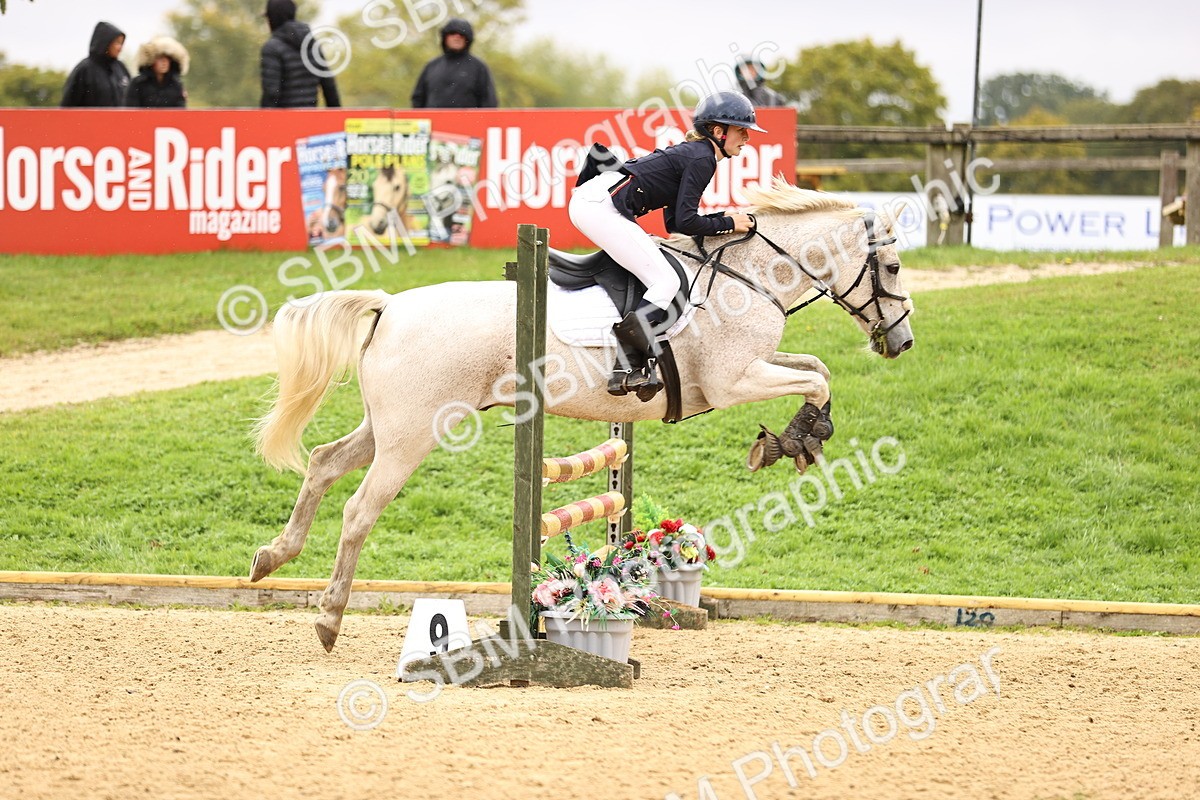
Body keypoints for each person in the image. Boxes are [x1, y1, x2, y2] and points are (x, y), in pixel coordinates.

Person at [569, 91, 764, 399]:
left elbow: (674, 223)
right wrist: (729, 224)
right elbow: (686, 223)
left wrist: (721, 218)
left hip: (593, 202)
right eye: (742, 131)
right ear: (718, 131)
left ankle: (627, 365)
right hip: (599, 205)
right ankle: (626, 365)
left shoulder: (698, 153)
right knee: (667, 280)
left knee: (658, 275)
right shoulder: (702, 159)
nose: (747, 138)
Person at [260, 0, 341, 108]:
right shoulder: (313, 45)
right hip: (309, 120)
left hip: (282, 121)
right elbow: (329, 88)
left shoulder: (272, 48)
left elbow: (272, 93)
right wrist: (336, 119)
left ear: (273, 18)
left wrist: (263, 120)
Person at [410, 18, 497, 109]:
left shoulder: (479, 68)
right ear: (445, 37)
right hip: (435, 122)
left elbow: (489, 102)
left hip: (467, 122)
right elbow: (418, 100)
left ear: (467, 39)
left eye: (462, 34)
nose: (457, 37)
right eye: (452, 33)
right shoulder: (431, 66)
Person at [61, 21, 131, 107]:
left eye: (121, 43)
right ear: (105, 42)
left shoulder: (121, 68)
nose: (120, 48)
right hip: (89, 120)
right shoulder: (84, 70)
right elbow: (68, 105)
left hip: (120, 120)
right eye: (117, 42)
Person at [125, 36, 189, 108]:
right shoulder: (138, 83)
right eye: (160, 58)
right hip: (143, 119)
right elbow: (131, 112)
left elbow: (181, 112)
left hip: (170, 119)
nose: (164, 62)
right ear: (151, 60)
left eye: (168, 58)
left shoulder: (176, 85)